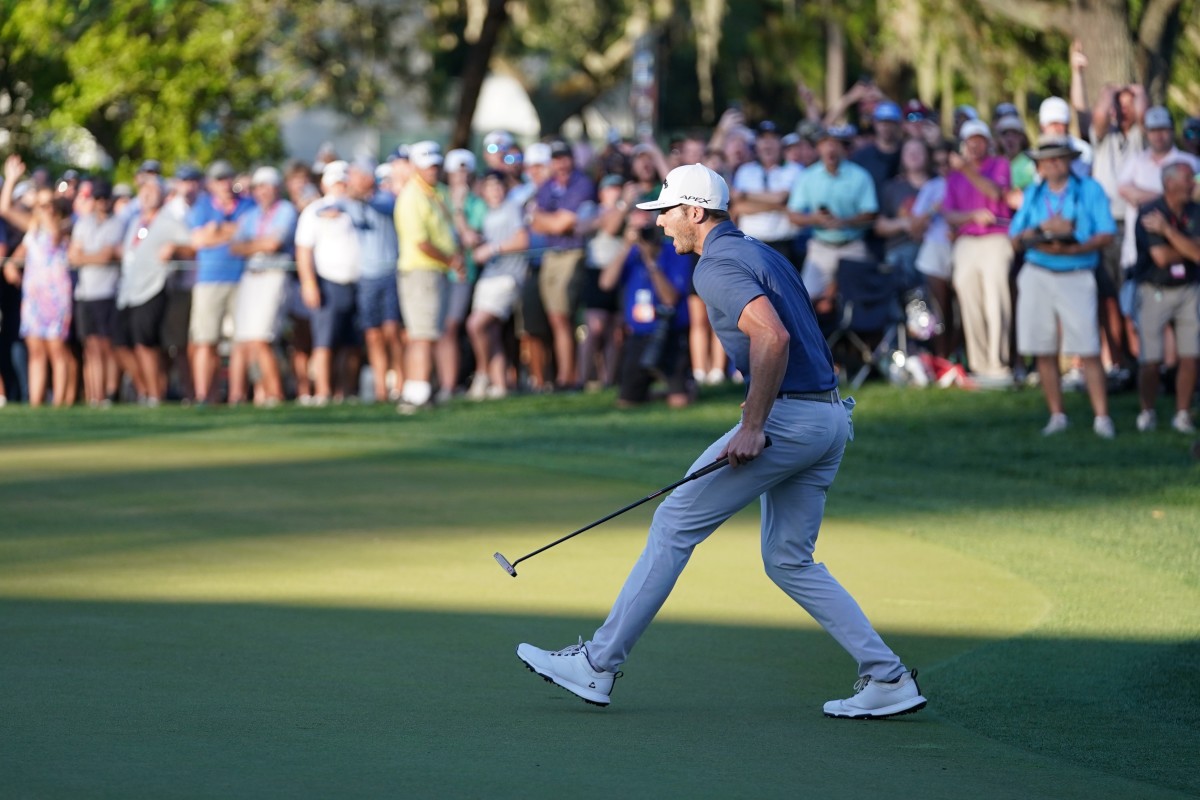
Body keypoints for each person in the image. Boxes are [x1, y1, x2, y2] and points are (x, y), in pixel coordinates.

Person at [515, 164, 928, 720]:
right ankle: (889, 678)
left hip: (790, 420)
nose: (660, 224)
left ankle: (598, 664)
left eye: (665, 212)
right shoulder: (761, 251)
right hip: (828, 418)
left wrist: (754, 423)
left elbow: (773, 336)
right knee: (788, 560)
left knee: (673, 521)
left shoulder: (716, 264)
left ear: (694, 211)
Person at [1010, 136, 1117, 437]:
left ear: (1069, 161)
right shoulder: (1033, 193)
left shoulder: (1089, 189)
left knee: (1088, 346)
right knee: (1042, 347)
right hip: (1038, 270)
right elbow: (1016, 237)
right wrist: (1046, 230)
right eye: (1046, 160)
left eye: (1058, 158)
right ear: (1039, 166)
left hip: (1076, 271)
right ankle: (1057, 415)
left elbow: (1106, 233)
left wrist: (1072, 244)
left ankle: (1102, 417)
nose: (1052, 164)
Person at [599, 206, 695, 408]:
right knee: (626, 402)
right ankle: (660, 391)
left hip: (670, 332)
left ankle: (683, 386)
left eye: (646, 227)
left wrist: (651, 262)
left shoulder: (674, 251)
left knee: (679, 402)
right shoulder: (630, 254)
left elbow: (670, 298)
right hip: (638, 335)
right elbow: (606, 284)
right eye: (636, 228)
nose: (643, 233)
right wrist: (626, 247)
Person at [942, 120, 1014, 385]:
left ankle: (998, 363)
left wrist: (967, 170)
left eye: (979, 139)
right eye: (970, 140)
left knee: (996, 296)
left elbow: (995, 192)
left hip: (996, 238)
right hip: (967, 240)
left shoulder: (999, 165)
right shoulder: (954, 175)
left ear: (987, 142)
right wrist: (971, 215)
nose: (974, 145)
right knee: (967, 292)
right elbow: (949, 214)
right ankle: (979, 363)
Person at [395, 141, 463, 412]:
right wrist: (451, 260)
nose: (433, 170)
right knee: (422, 334)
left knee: (427, 334)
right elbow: (421, 242)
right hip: (421, 272)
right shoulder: (412, 196)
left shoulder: (437, 193)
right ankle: (418, 392)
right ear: (415, 167)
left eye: (435, 165)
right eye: (427, 166)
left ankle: (420, 389)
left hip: (436, 271)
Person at [1, 157, 74, 407]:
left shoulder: (61, 226)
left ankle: (60, 403)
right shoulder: (33, 227)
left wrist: (42, 206)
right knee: (35, 350)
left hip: (55, 295)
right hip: (34, 295)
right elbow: (5, 209)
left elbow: (53, 233)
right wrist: (11, 180)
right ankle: (35, 403)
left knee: (56, 348)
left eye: (47, 204)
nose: (43, 208)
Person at [1132, 162, 1199, 434]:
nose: (1193, 183)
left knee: (1191, 355)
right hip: (1154, 289)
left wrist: (1169, 232)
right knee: (1151, 358)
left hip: (1189, 289)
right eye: (1187, 179)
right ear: (1169, 182)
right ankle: (1147, 410)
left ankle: (1182, 413)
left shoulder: (1196, 210)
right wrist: (1189, 245)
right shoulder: (1150, 212)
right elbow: (1161, 258)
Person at [787, 125, 878, 315]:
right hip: (821, 247)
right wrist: (814, 219)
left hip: (852, 245)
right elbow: (793, 215)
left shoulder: (860, 176)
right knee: (804, 301)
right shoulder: (807, 177)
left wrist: (843, 222)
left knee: (863, 303)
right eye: (826, 143)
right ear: (818, 148)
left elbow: (870, 214)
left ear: (843, 149)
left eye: (835, 144)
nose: (831, 149)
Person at [294, 161, 362, 404]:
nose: (340, 186)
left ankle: (346, 392)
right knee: (324, 342)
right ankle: (323, 392)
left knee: (352, 344)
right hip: (327, 282)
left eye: (344, 181)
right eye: (335, 182)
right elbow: (304, 250)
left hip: (357, 282)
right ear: (324, 184)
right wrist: (309, 283)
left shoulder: (357, 208)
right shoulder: (314, 211)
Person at [228, 166, 297, 406]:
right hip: (252, 275)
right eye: (258, 187)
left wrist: (252, 245)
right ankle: (237, 396)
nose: (263, 191)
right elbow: (235, 246)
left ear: (276, 188)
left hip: (274, 275)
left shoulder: (286, 210)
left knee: (261, 339)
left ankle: (275, 393)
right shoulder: (251, 214)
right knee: (243, 340)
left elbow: (274, 243)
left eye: (267, 186)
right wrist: (258, 245)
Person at [530, 140, 595, 390]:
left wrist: (547, 220)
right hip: (551, 253)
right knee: (555, 318)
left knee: (563, 316)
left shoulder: (581, 183)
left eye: (564, 157)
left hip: (572, 252)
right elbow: (535, 221)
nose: (560, 163)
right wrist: (551, 220)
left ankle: (570, 376)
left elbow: (562, 224)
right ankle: (564, 374)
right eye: (556, 158)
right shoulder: (547, 185)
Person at [187, 159, 253, 404]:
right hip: (209, 280)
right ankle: (205, 395)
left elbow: (246, 234)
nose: (224, 184)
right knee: (205, 341)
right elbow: (198, 240)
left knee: (240, 342)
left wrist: (217, 231)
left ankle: (237, 396)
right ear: (210, 184)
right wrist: (228, 232)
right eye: (218, 179)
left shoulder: (246, 204)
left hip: (241, 280)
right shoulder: (202, 206)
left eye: (227, 178)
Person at [465, 171, 530, 400]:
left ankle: (482, 373)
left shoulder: (511, 208)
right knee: (491, 333)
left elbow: (522, 240)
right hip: (490, 275)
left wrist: (492, 249)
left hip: (507, 275)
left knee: (476, 325)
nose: (495, 191)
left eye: (498, 186)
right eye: (489, 187)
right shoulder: (484, 212)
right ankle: (500, 385)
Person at [68, 178, 125, 406]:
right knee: (90, 347)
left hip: (108, 292)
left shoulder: (118, 224)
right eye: (98, 198)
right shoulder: (83, 223)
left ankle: (109, 393)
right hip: (86, 293)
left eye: (105, 198)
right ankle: (94, 395)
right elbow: (74, 256)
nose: (102, 202)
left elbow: (107, 256)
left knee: (106, 346)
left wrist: (87, 257)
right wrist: (95, 257)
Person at [730, 121, 803, 264]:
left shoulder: (794, 169)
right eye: (763, 139)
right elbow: (739, 207)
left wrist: (745, 195)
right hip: (751, 243)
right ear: (756, 144)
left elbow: (780, 197)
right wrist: (781, 206)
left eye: (773, 139)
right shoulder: (745, 171)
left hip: (784, 243)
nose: (767, 144)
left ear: (780, 144)